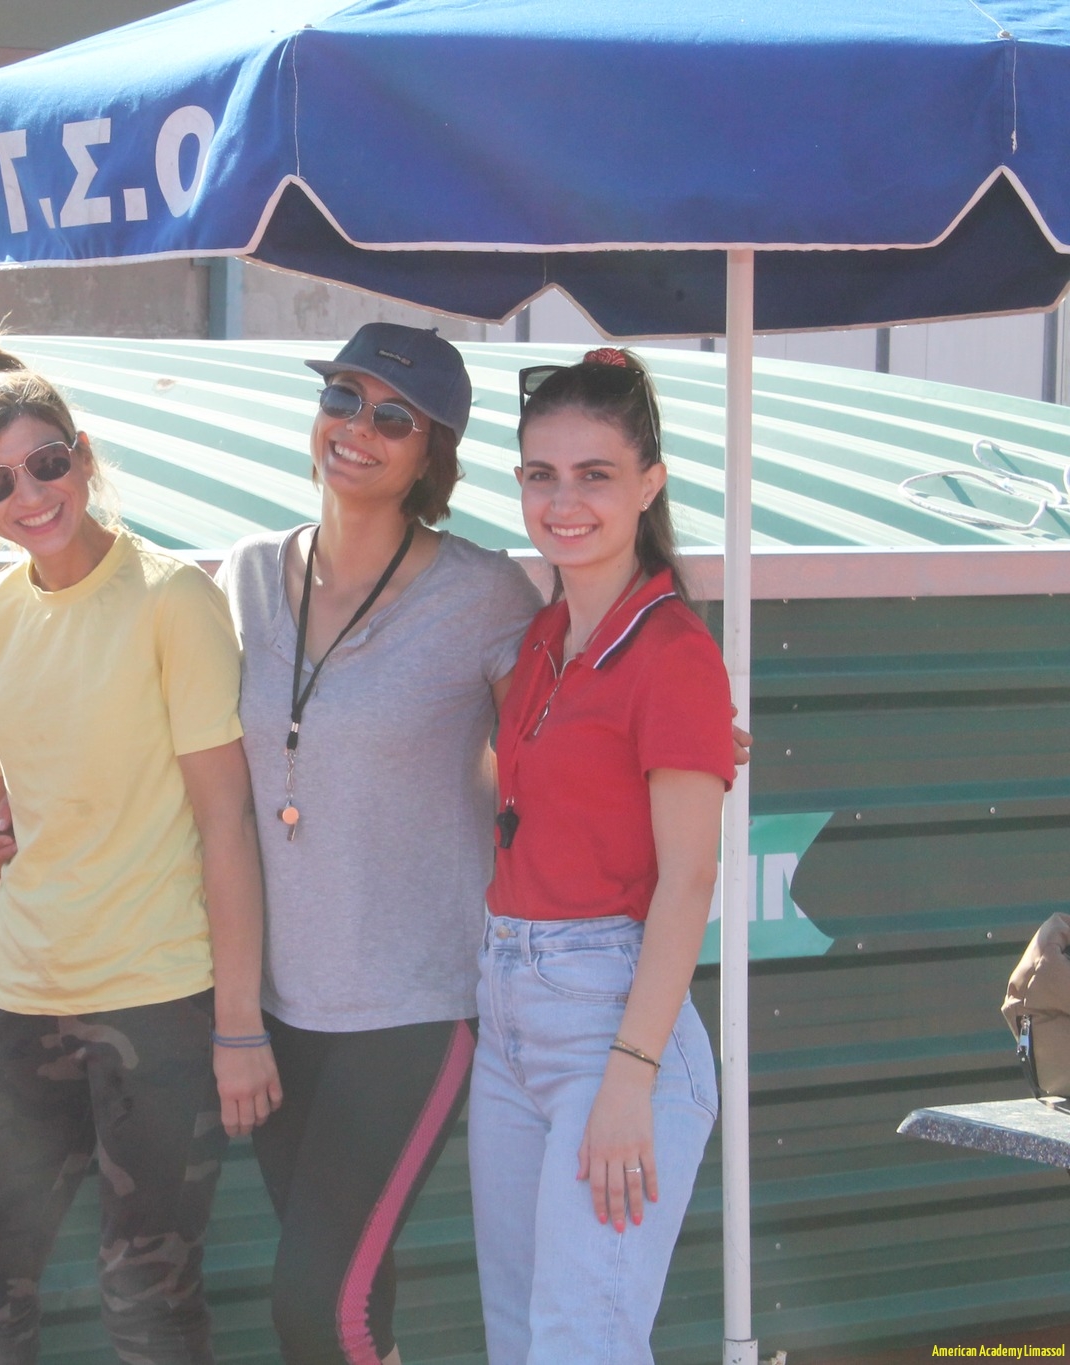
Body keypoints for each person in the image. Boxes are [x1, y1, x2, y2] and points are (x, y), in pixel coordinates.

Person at [0, 342, 280, 1365]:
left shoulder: (171, 599)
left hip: (159, 1002)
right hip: (24, 1004)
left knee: (145, 1295)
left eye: (46, 464)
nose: (29, 496)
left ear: (84, 456)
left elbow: (226, 821)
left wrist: (238, 1023)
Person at [215, 324, 543, 1365]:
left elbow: (559, 747)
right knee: (357, 1299)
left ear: (431, 452)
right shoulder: (244, 574)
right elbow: (180, 749)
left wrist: (678, 740)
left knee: (316, 1311)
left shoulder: (485, 594)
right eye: (342, 398)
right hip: (275, 1009)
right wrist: (20, 789)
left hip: (413, 1003)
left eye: (393, 417)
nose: (358, 428)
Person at [470, 346, 734, 1364]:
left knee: (581, 1343)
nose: (563, 500)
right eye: (541, 474)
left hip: (611, 1024)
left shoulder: (672, 653)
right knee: (518, 1338)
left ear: (649, 484)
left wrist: (630, 1076)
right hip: (507, 1009)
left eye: (595, 474)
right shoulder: (543, 636)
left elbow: (690, 877)